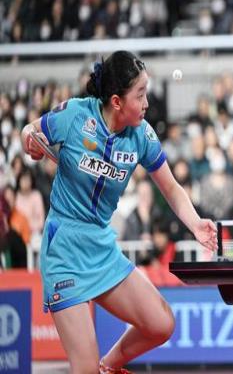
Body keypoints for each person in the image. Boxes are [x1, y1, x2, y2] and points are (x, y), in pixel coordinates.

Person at [21, 50, 217, 374]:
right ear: (116, 101)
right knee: (82, 369)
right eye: (140, 95)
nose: (146, 103)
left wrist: (195, 224)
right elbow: (30, 130)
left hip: (101, 246)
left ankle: (108, 367)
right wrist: (29, 140)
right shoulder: (75, 115)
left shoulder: (142, 135)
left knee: (161, 323)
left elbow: (170, 187)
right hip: (64, 249)